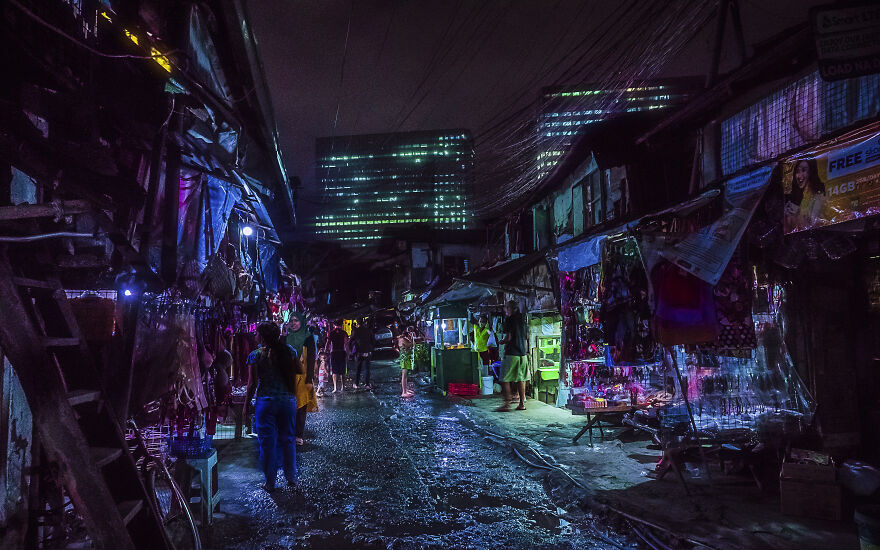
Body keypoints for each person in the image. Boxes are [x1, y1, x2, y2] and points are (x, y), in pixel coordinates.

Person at [242, 322, 301, 491]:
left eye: (257, 334)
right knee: (288, 440)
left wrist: (247, 404)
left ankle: (270, 482)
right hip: (287, 401)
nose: (255, 336)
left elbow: (252, 384)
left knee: (267, 443)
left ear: (262, 336)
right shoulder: (289, 351)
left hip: (266, 403)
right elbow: (297, 373)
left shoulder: (255, 355)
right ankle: (291, 478)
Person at [284, 311, 318, 446]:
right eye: (291, 321)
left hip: (303, 376)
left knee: (301, 406)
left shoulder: (308, 338)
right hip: (287, 376)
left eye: (296, 320)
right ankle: (289, 432)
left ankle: (298, 434)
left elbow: (311, 358)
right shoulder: (285, 338)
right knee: (288, 406)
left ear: (301, 322)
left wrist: (310, 379)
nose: (293, 323)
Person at [497, 300, 529, 412]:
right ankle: (521, 404)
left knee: (504, 379)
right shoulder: (523, 320)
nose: (505, 310)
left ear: (510, 309)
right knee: (521, 379)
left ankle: (506, 404)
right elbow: (527, 336)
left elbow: (509, 337)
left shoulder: (510, 319)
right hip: (523, 354)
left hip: (512, 354)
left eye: (506, 308)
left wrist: (502, 342)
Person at [784, 159, 827, 232]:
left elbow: (814, 222)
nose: (800, 175)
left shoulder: (819, 196)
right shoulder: (793, 197)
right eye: (797, 171)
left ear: (811, 172)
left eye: (804, 170)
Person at [325, 320, 349, 393]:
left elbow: (328, 343)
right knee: (342, 371)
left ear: (334, 325)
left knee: (334, 371)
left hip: (334, 352)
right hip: (342, 352)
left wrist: (325, 352)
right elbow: (346, 344)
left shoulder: (331, 333)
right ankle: (342, 387)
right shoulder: (344, 333)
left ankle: (335, 388)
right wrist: (348, 354)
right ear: (341, 325)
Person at [351, 320, 376, 389]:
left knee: (358, 368)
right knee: (367, 369)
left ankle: (356, 384)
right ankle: (367, 385)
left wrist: (352, 351)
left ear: (357, 323)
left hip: (359, 352)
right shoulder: (368, 330)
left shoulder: (356, 331)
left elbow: (351, 341)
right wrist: (370, 349)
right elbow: (373, 341)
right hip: (367, 351)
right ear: (364, 323)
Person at [395, 327, 415, 397]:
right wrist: (412, 336)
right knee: (404, 375)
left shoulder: (401, 338)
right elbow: (412, 344)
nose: (407, 331)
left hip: (405, 359)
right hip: (405, 359)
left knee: (405, 375)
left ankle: (405, 390)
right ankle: (404, 392)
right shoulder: (402, 339)